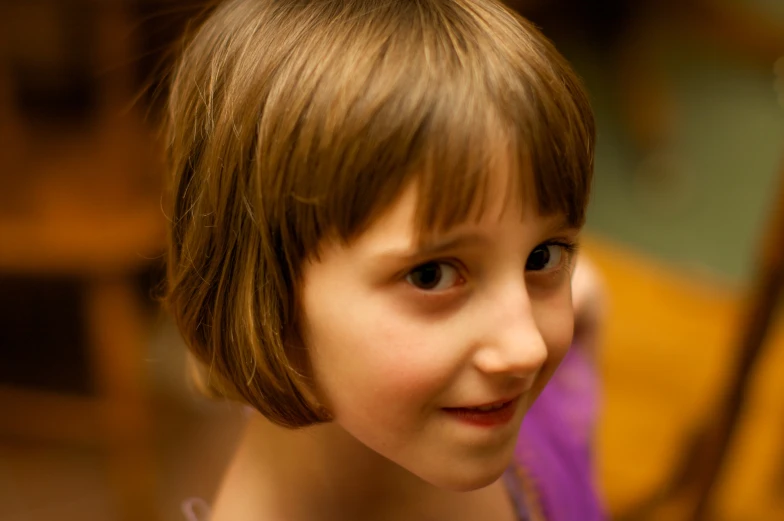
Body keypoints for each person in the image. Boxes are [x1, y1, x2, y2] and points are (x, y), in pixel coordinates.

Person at [164, 0, 601, 519]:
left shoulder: (432, 407)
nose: (526, 348)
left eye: (541, 257)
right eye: (431, 275)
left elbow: (591, 291)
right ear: (266, 294)